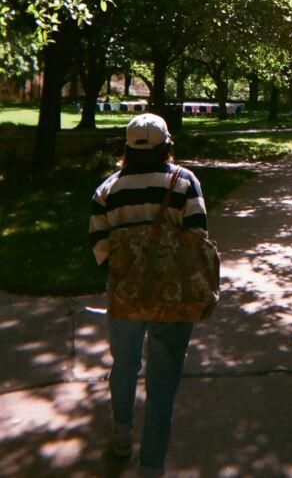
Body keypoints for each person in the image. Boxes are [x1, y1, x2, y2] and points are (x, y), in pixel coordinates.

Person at [89, 113, 208, 477]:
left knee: (124, 364)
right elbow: (198, 237)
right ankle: (152, 464)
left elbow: (100, 245)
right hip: (173, 294)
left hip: (125, 293)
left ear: (126, 147)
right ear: (166, 145)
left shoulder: (108, 190)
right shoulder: (184, 182)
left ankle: (122, 434)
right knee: (162, 378)